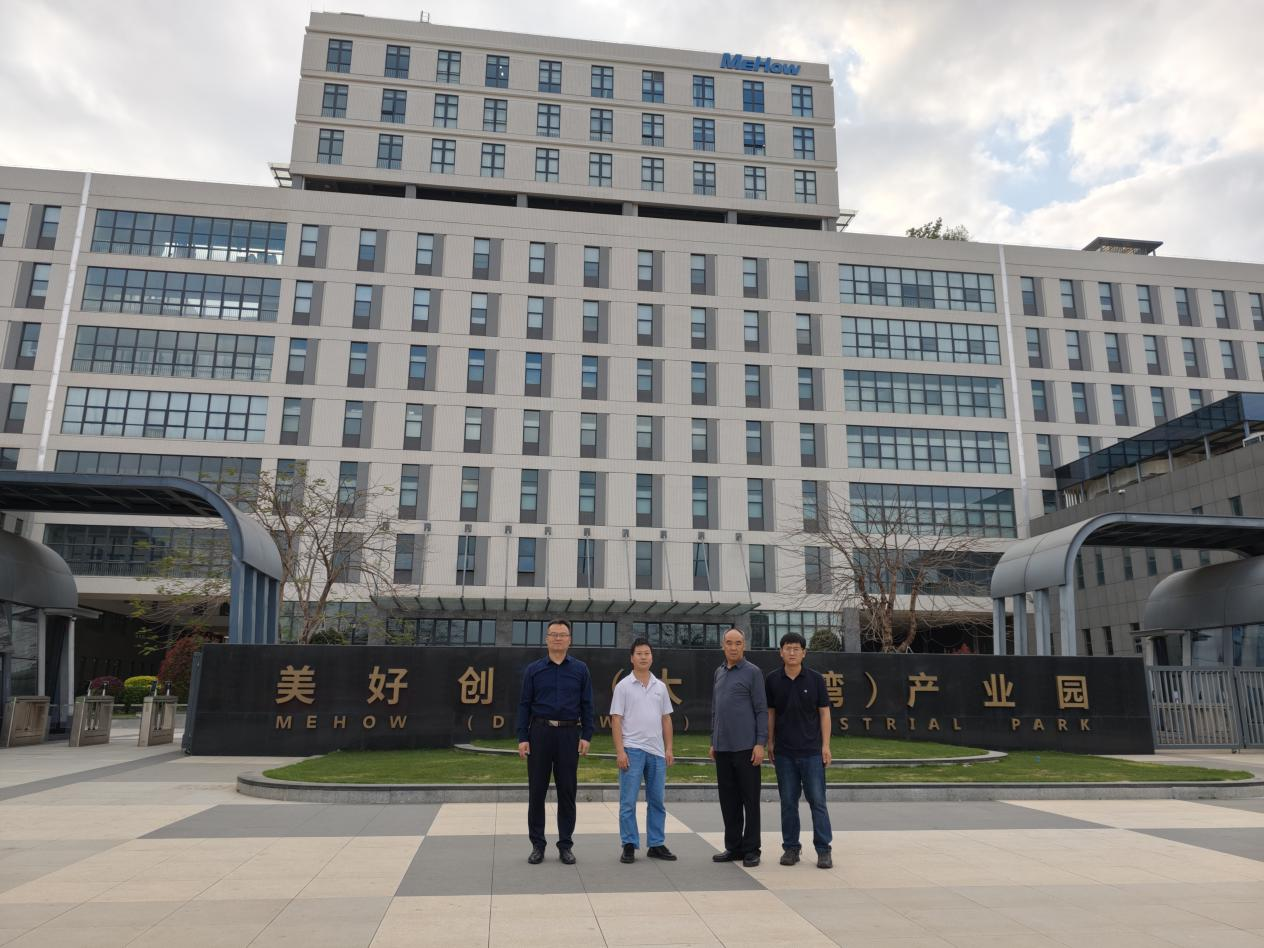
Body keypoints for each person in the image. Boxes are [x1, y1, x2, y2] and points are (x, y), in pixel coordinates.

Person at [516, 618, 594, 865]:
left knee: (567, 791)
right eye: (554, 634)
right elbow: (524, 705)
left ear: (570, 640)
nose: (558, 638)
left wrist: (587, 735)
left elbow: (587, 705)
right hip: (539, 733)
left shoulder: (580, 669)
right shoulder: (534, 670)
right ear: (546, 639)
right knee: (537, 791)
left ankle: (565, 845)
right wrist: (522, 737)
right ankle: (537, 845)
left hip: (569, 735)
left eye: (562, 634)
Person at [765, 631, 833, 869]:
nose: (792, 652)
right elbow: (771, 713)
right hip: (784, 752)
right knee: (788, 803)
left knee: (818, 802)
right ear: (780, 652)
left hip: (812, 752)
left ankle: (823, 850)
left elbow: (824, 713)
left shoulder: (815, 679)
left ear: (804, 653)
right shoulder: (772, 680)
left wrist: (826, 746)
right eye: (788, 648)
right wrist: (770, 742)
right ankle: (791, 848)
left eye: (796, 649)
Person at [611, 637, 677, 863]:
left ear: (652, 657)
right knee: (628, 802)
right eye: (639, 653)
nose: (643, 657)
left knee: (657, 801)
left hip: (657, 752)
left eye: (647, 653)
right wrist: (620, 752)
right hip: (632, 751)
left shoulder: (660, 687)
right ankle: (629, 844)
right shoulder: (623, 686)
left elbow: (666, 719)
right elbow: (616, 720)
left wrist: (669, 748)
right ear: (632, 658)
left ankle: (656, 844)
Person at [709, 627, 767, 867]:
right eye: (729, 643)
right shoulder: (719, 672)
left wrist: (760, 743)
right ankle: (733, 847)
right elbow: (715, 709)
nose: (733, 647)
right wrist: (713, 741)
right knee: (728, 800)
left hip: (746, 748)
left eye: (738, 643)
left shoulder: (753, 672)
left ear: (744, 645)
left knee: (750, 800)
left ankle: (752, 849)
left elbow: (761, 710)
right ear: (723, 645)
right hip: (722, 748)